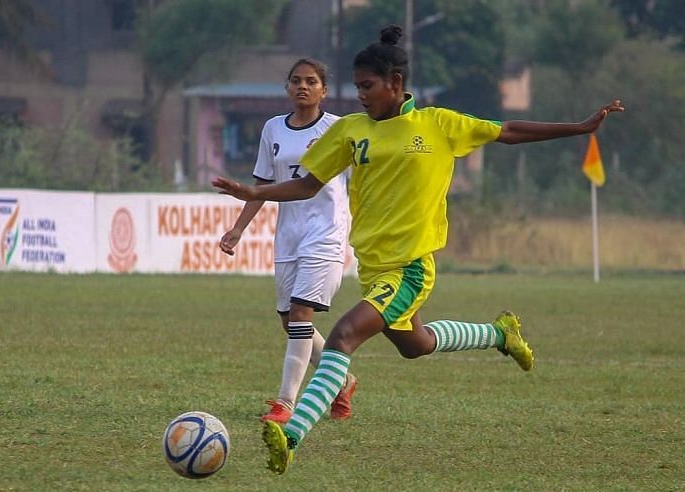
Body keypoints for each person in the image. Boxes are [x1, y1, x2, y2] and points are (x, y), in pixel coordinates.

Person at [213, 25, 625, 475]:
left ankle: (290, 436)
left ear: (395, 83)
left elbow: (507, 130)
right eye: (357, 87)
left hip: (409, 269)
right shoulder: (351, 131)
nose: (361, 95)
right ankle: (499, 334)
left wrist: (580, 128)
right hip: (372, 268)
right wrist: (252, 192)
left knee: (342, 336)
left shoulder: (437, 125)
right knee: (416, 345)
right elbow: (307, 183)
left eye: (368, 87)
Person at [218, 58, 357, 424]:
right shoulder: (272, 129)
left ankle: (285, 404)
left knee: (300, 314)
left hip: (325, 233)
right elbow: (262, 185)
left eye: (311, 81)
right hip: (289, 236)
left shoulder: (339, 129)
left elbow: (361, 179)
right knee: (290, 321)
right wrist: (238, 228)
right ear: (287, 87)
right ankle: (343, 380)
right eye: (296, 80)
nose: (303, 86)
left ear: (323, 90)